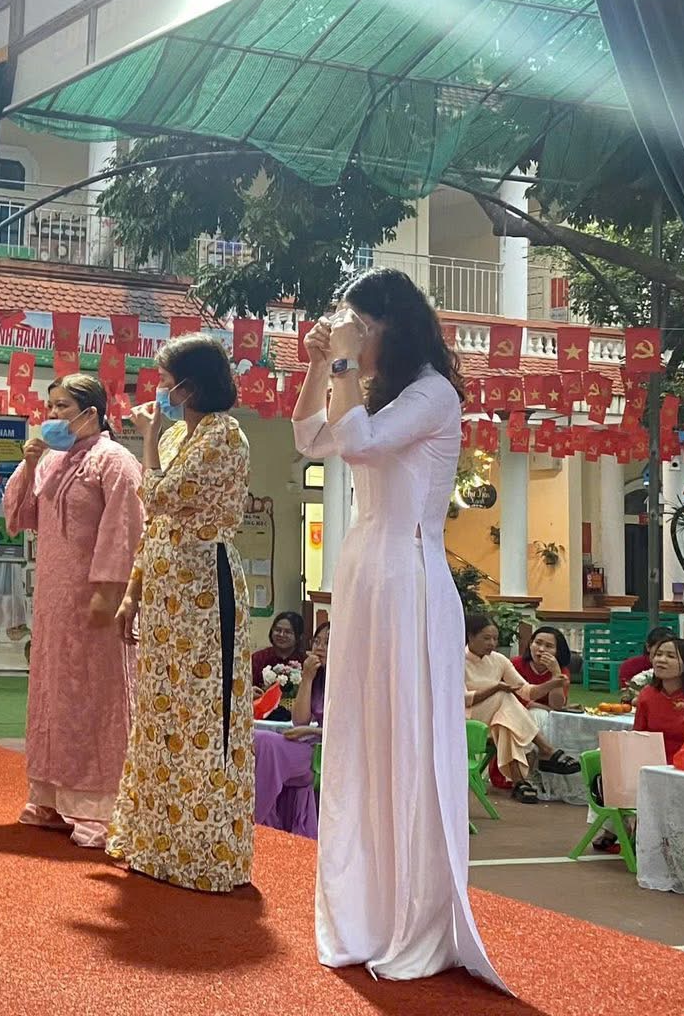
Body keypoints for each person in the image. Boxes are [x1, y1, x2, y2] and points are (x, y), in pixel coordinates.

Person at [291, 267, 502, 987]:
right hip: (364, 573)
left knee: (406, 737)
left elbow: (362, 444)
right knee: (362, 735)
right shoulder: (372, 388)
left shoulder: (433, 394)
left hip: (409, 576)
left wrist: (343, 364)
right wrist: (320, 362)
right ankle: (367, 911)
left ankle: (415, 915)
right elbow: (311, 437)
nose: (350, 336)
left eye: (360, 325)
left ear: (391, 326)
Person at [107, 333, 254, 892]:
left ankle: (204, 853)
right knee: (161, 716)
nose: (160, 392)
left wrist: (146, 438)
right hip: (166, 588)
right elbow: (155, 525)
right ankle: (157, 844)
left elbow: (161, 495)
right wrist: (133, 592)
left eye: (167, 382)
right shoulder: (174, 436)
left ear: (193, 386)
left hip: (205, 586)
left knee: (203, 717)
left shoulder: (225, 436)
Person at [4, 373, 143, 847]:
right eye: (50, 406)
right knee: (53, 694)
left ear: (91, 413)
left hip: (95, 597)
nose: (53, 415)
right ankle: (52, 795)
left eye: (62, 407)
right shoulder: (50, 461)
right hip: (53, 601)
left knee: (96, 697)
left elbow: (125, 529)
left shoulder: (115, 461)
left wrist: (112, 590)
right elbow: (19, 516)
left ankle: (100, 807)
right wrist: (28, 464)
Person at [465, 614, 583, 802]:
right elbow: (464, 700)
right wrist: (495, 688)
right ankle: (547, 750)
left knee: (505, 724)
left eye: (495, 639)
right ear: (471, 637)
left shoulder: (499, 660)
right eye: (486, 638)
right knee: (504, 696)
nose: (492, 643)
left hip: (496, 719)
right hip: (468, 718)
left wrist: (553, 682)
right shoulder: (457, 661)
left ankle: (520, 783)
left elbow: (527, 691)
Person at [255, 627, 329, 838]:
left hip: (326, 750)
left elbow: (347, 732)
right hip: (310, 742)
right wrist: (307, 678)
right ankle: (263, 816)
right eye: (317, 641)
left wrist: (309, 730)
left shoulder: (348, 681)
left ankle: (257, 815)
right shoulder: (317, 677)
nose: (320, 647)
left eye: (327, 642)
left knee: (267, 744)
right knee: (259, 738)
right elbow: (300, 720)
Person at [512, 626, 573, 710]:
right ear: (530, 644)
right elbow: (513, 699)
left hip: (547, 715)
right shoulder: (516, 664)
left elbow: (556, 706)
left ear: (557, 651)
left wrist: (556, 674)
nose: (541, 649)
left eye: (549, 646)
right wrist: (543, 708)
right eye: (538, 643)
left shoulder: (562, 671)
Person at [619, 627, 674, 692]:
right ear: (648, 647)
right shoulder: (630, 665)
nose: (663, 658)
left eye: (670, 650)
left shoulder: (678, 665)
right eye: (659, 648)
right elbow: (627, 692)